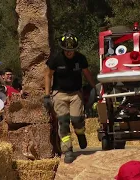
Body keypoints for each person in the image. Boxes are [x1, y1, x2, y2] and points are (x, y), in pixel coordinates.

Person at [44, 32, 95, 163]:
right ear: (63, 49)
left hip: (75, 93)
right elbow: (48, 75)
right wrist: (47, 95)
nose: (69, 53)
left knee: (77, 119)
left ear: (75, 49)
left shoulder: (81, 59)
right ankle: (68, 150)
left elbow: (87, 73)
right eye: (66, 50)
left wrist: (94, 87)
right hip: (59, 93)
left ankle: (80, 133)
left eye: (71, 50)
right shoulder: (56, 59)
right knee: (63, 121)